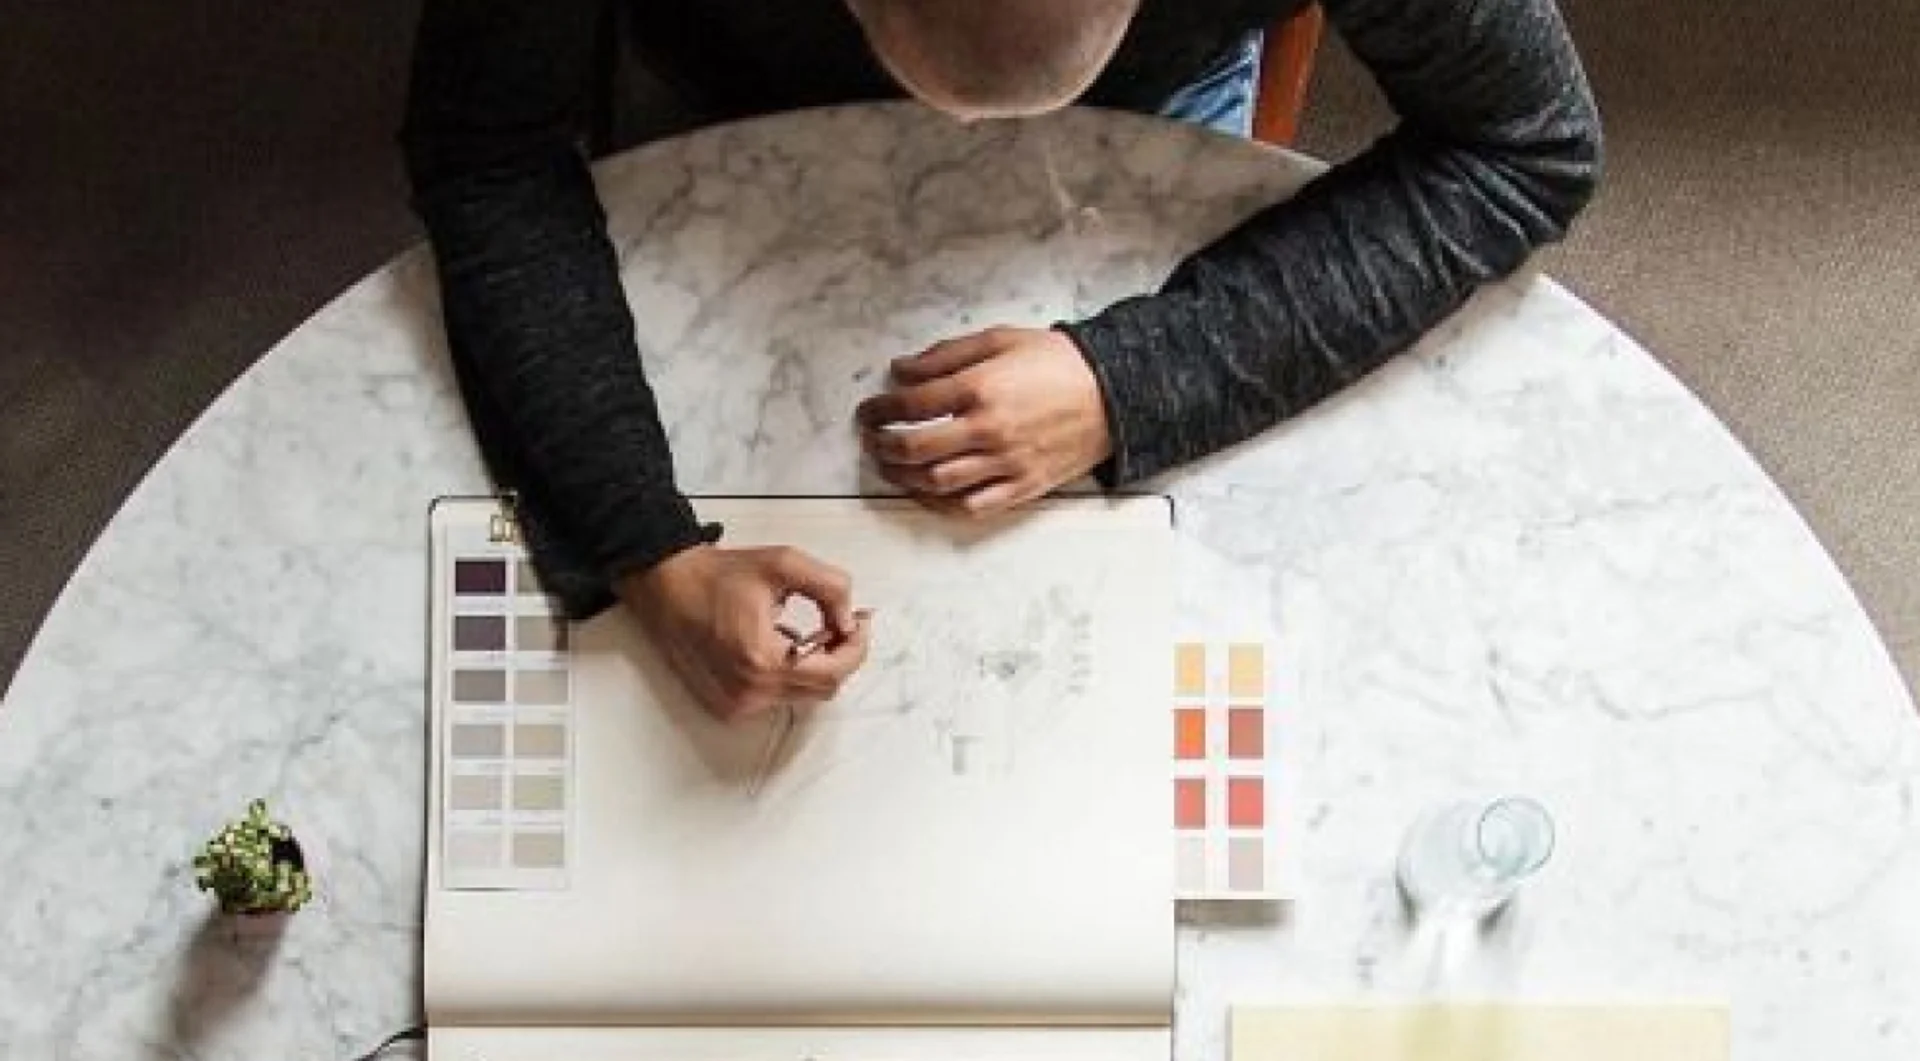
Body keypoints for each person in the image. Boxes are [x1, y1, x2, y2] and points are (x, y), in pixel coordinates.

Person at [400, 0, 1602, 719]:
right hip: (732, 84)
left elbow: (1528, 145)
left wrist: (1129, 378)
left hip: (1160, 96)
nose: (962, 145)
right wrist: (644, 548)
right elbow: (486, 148)